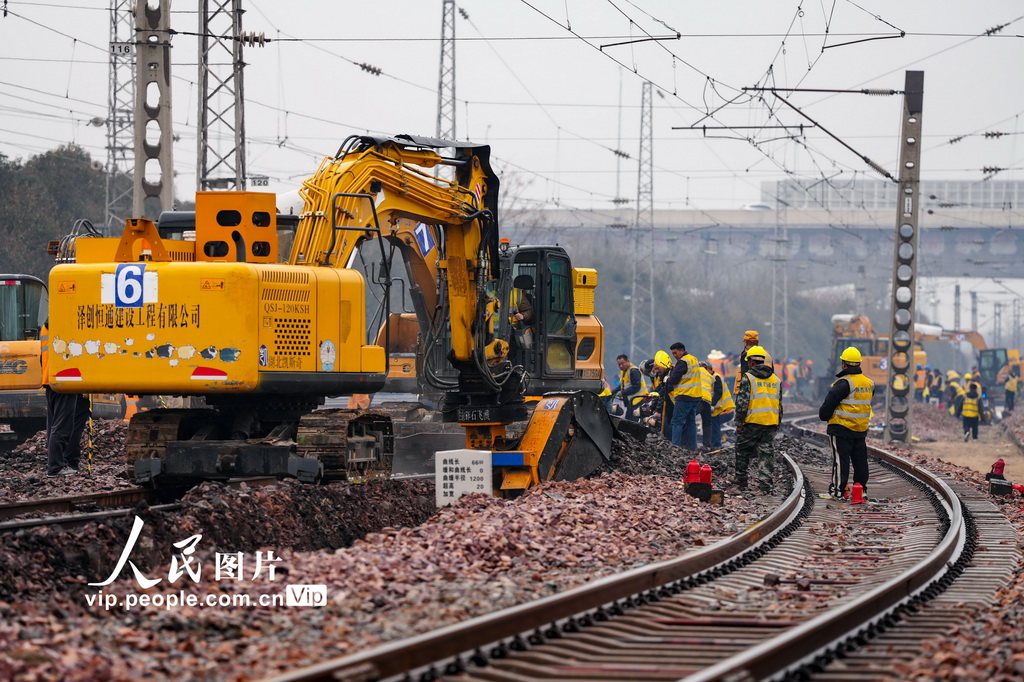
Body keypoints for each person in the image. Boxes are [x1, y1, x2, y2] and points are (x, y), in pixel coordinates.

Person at [818, 346, 874, 500]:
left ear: (844, 364)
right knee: (860, 461)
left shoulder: (844, 383)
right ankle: (861, 491)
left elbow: (828, 405)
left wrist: (824, 416)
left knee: (840, 461)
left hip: (841, 428)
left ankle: (838, 491)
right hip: (860, 429)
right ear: (859, 363)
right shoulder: (869, 383)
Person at [42, 321, 91, 478]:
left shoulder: (46, 328)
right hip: (64, 380)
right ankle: (56, 467)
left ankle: (56, 464)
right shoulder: (60, 324)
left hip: (51, 380)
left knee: (54, 426)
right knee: (62, 427)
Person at [734, 345, 782, 493]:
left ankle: (741, 482)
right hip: (770, 422)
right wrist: (778, 423)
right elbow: (779, 404)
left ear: (751, 362)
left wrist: (739, 423)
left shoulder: (748, 378)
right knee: (766, 453)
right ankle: (765, 485)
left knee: (742, 450)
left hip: (752, 422)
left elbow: (742, 402)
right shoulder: (776, 380)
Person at [661, 342, 703, 450]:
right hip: (695, 396)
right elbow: (687, 373)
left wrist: (667, 379)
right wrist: (676, 368)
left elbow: (674, 380)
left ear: (682, 350)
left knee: (677, 422)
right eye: (673, 354)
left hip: (684, 396)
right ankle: (692, 447)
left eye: (675, 353)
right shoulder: (693, 359)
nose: (674, 356)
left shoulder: (682, 362)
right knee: (691, 423)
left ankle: (675, 447)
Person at [705, 361, 735, 447]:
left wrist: (712, 405)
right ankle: (714, 443)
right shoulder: (711, 378)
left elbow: (718, 393)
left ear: (709, 369)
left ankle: (716, 445)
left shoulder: (716, 377)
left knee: (714, 424)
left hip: (725, 410)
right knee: (713, 424)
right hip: (722, 409)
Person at [613, 354, 648, 422]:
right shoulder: (623, 372)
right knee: (628, 420)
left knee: (632, 422)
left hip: (639, 400)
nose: (621, 366)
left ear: (628, 361)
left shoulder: (634, 371)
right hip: (632, 402)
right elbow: (622, 386)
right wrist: (612, 392)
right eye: (619, 364)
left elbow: (636, 387)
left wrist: (622, 393)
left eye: (622, 363)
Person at [698, 361, 714, 449]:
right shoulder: (710, 376)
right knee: (707, 423)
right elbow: (711, 391)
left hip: (697, 398)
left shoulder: (695, 372)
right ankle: (707, 444)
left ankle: (688, 443)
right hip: (707, 400)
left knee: (690, 420)